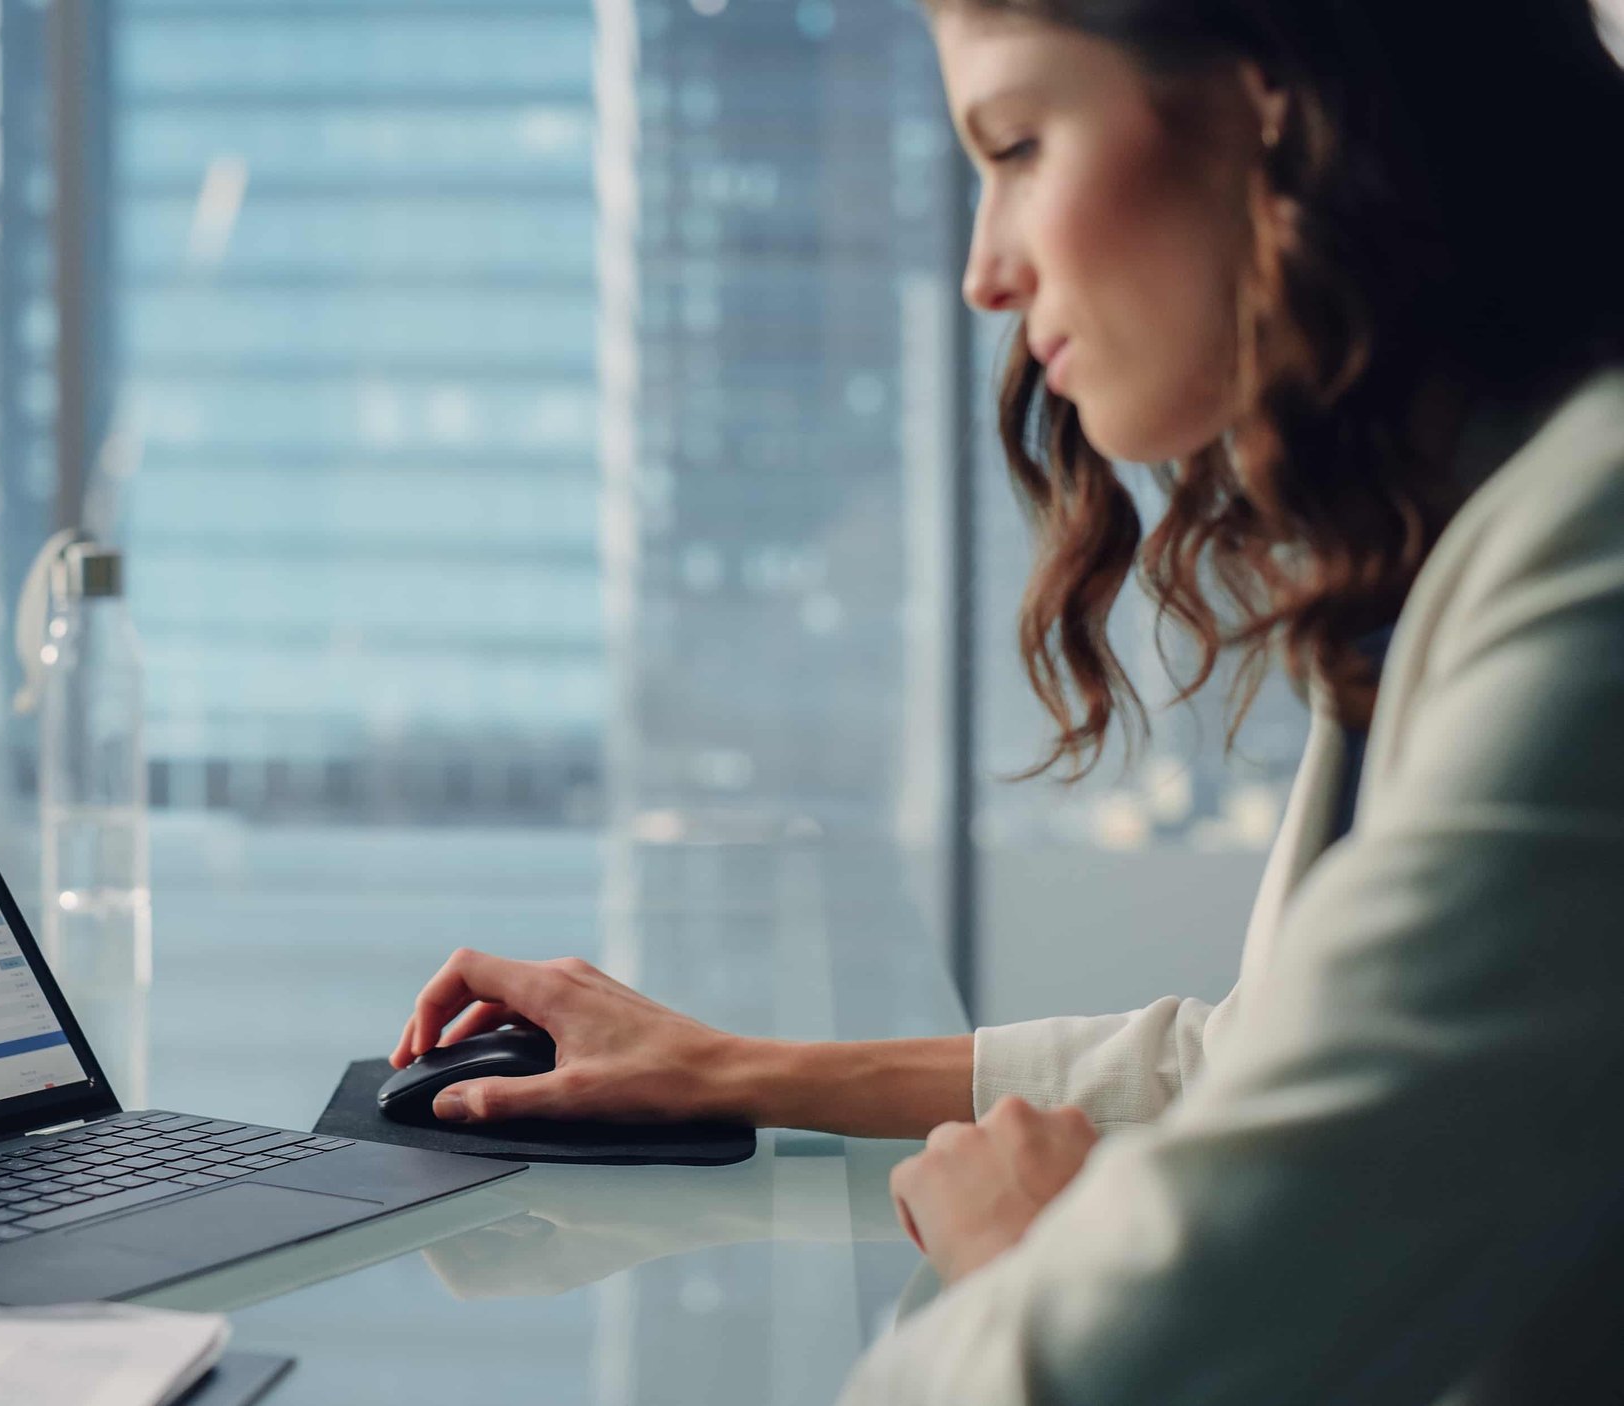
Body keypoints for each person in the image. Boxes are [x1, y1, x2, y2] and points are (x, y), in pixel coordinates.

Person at [389, 1, 1624, 1399]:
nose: (983, 271)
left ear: (1280, 90)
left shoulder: (1596, 565)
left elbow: (1125, 1356)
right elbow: (1271, 1050)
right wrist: (729, 1065)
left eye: (1021, 144)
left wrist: (1037, 1256)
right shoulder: (1490, 520)